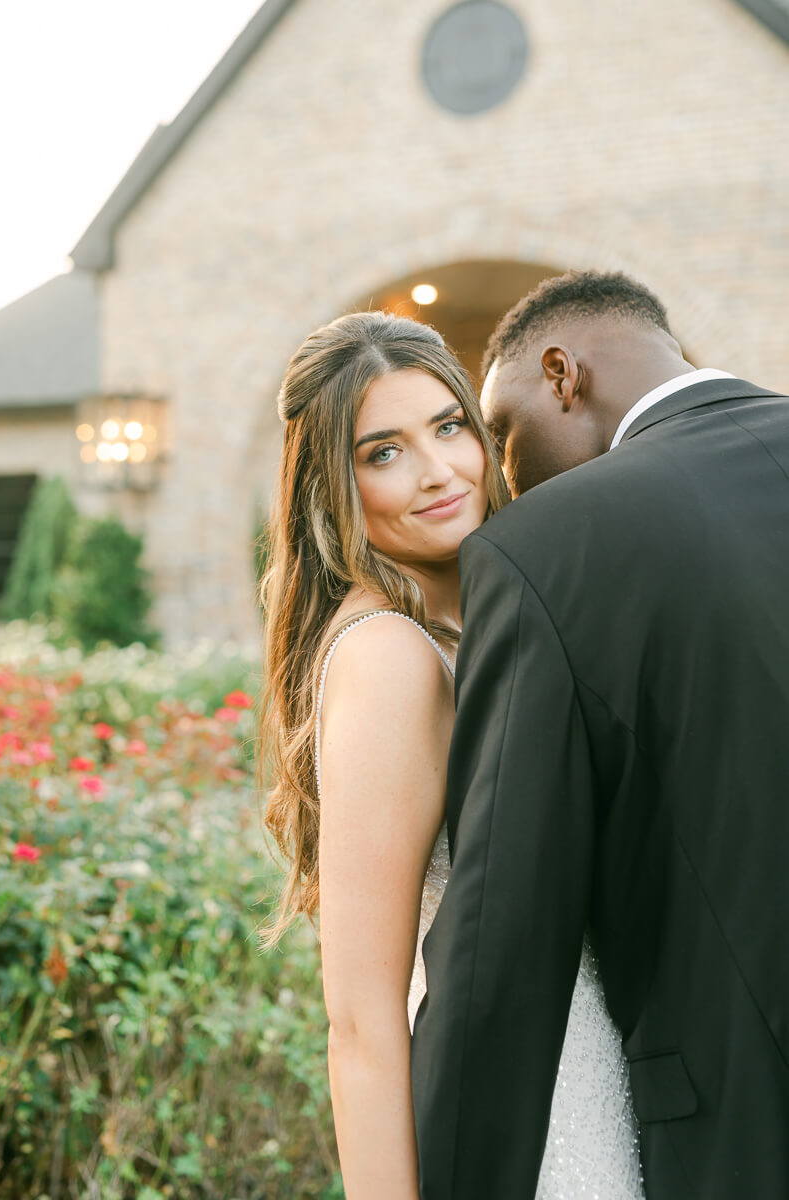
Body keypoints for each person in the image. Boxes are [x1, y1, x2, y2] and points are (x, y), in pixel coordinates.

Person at [410, 269, 789, 1199]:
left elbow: (503, 931)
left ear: (560, 375)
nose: (503, 476)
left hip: (740, 1129)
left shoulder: (549, 545)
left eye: (501, 434)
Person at [257, 309, 645, 1199]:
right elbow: (360, 1017)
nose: (438, 473)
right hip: (534, 1108)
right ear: (331, 488)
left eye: (448, 428)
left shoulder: (483, 618)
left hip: (584, 1063)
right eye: (382, 452)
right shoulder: (392, 654)